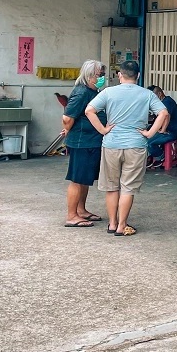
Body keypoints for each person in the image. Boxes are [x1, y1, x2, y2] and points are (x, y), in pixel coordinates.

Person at [85, 60, 169, 237]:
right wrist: (149, 133)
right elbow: (164, 113)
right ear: (138, 76)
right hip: (136, 145)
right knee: (128, 187)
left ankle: (112, 223)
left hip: (111, 144)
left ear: (119, 75)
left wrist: (103, 130)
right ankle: (122, 226)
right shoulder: (146, 94)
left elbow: (89, 111)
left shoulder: (108, 92)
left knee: (111, 186)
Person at [62, 59, 106, 228]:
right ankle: (72, 215)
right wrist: (68, 130)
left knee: (85, 179)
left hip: (90, 141)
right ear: (89, 75)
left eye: (102, 74)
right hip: (82, 142)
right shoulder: (81, 92)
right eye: (99, 74)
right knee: (77, 179)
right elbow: (67, 118)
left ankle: (81, 210)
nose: (102, 77)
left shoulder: (92, 91)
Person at [146, 85, 177, 168]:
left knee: (149, 143)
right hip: (166, 130)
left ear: (159, 94)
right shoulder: (162, 102)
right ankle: (151, 157)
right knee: (145, 135)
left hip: (171, 132)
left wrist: (163, 130)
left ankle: (160, 157)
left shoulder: (167, 102)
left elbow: (167, 116)